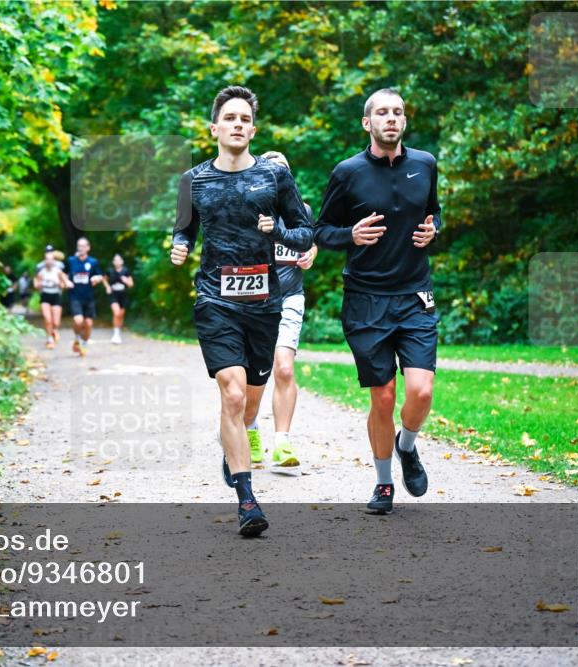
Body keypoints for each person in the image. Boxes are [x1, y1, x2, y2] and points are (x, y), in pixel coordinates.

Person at [171, 85, 314, 536]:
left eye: (244, 119)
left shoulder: (275, 177)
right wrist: (179, 246)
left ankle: (234, 444)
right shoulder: (193, 180)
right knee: (231, 395)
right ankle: (248, 500)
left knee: (251, 393)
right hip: (215, 299)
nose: (237, 125)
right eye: (228, 118)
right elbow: (184, 230)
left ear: (252, 129)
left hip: (264, 302)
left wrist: (279, 233)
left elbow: (306, 233)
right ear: (215, 128)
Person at [314, 88, 441, 515]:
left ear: (405, 121)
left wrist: (433, 229)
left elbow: (434, 212)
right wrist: (350, 235)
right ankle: (384, 482)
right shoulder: (348, 172)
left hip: (414, 294)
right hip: (366, 299)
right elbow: (320, 230)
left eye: (398, 112)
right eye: (382, 113)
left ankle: (408, 446)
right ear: (367, 123)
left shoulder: (425, 164)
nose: (392, 118)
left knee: (420, 392)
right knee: (383, 397)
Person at [243, 151, 319, 474]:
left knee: (284, 369)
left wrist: (311, 253)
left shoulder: (302, 210)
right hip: (255, 302)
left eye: (282, 171)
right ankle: (249, 428)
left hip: (290, 297)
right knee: (253, 378)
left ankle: (283, 442)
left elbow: (311, 241)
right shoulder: (249, 210)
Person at [67, 237, 104, 357]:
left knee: (88, 324)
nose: (81, 248)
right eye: (79, 246)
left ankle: (84, 342)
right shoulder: (71, 261)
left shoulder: (93, 262)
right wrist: (65, 281)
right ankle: (77, 338)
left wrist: (96, 279)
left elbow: (100, 276)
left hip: (89, 297)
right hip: (75, 296)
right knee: (78, 321)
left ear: (88, 248)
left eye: (83, 246)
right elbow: (62, 273)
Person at [35, 248, 69, 349]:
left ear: (54, 261)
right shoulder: (41, 271)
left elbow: (64, 284)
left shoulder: (58, 271)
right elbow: (36, 284)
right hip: (45, 295)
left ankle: (54, 330)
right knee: (47, 318)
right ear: (45, 260)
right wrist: (40, 284)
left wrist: (58, 283)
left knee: (56, 322)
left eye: (51, 259)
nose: (49, 261)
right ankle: (49, 338)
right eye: (47, 259)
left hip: (56, 296)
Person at [104, 253, 134, 345]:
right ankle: (115, 334)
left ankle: (118, 332)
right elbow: (104, 279)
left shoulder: (126, 271)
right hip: (113, 294)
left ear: (122, 261)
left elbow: (131, 284)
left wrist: (126, 281)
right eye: (115, 260)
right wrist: (107, 287)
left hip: (123, 295)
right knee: (116, 313)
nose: (117, 261)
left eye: (119, 260)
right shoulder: (110, 271)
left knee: (120, 315)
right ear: (113, 262)